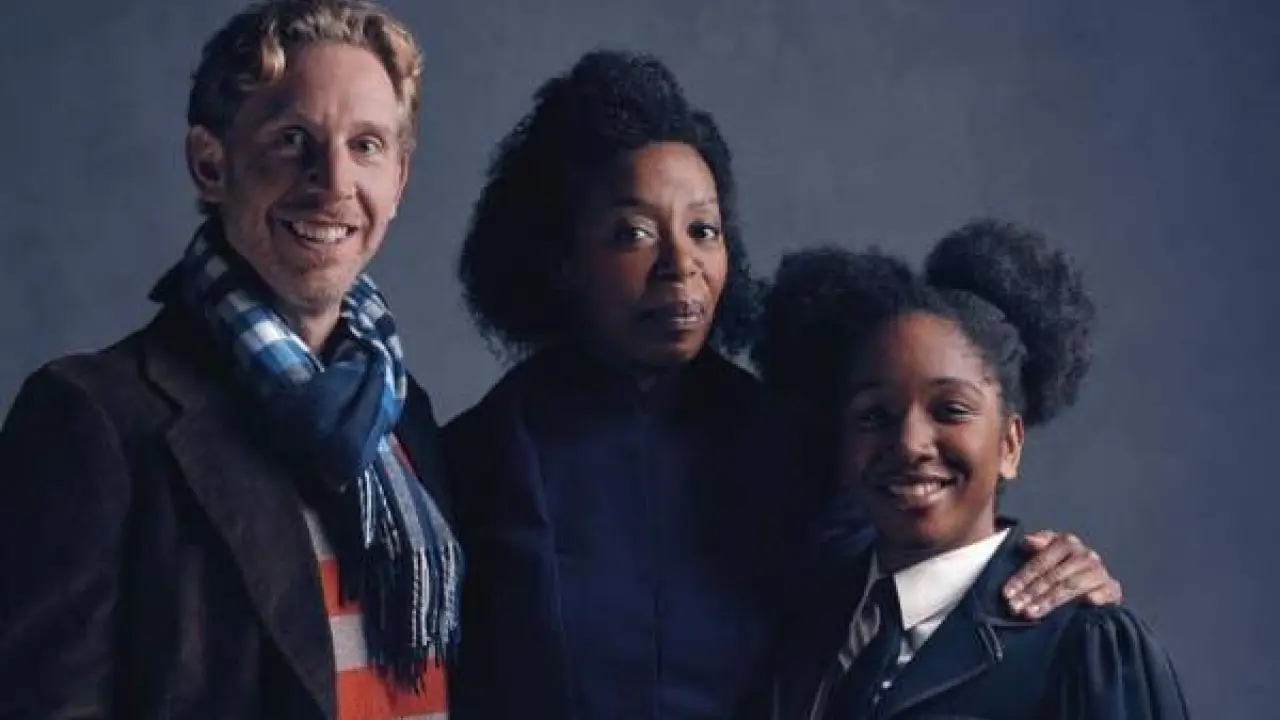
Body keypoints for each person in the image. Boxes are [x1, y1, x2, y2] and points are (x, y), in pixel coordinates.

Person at [442, 50, 1120, 720]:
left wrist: (1038, 572)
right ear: (561, 258)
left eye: (703, 230)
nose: (681, 264)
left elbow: (924, 584)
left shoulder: (800, 447)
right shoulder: (477, 459)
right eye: (633, 233)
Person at [0, 2, 460, 718]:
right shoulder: (92, 418)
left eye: (366, 145)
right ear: (211, 164)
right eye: (292, 139)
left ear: (397, 180)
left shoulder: (403, 413)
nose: (334, 180)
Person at [755, 220, 1189, 718]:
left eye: (951, 409)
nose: (910, 444)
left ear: (1010, 444)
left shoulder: (1084, 647)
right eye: (874, 415)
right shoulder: (805, 626)